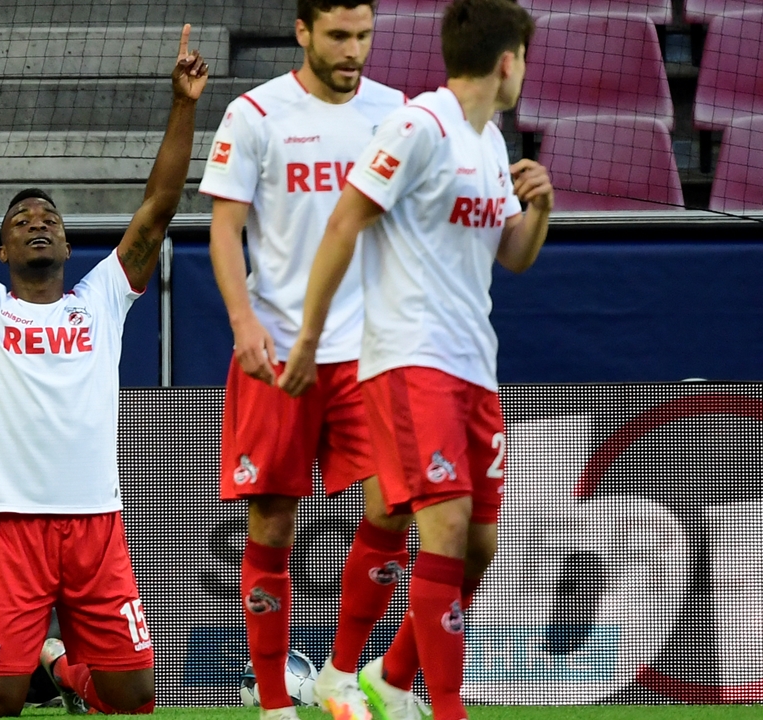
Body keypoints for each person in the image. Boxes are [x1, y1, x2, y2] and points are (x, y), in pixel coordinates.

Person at [0, 24, 208, 717]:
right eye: (20, 220)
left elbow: (158, 210)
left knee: (136, 699)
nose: (37, 222)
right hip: (16, 529)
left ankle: (64, 668)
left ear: (67, 243)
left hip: (97, 527)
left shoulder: (102, 299)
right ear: (2, 251)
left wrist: (183, 104)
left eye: (49, 217)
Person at [279, 1, 552, 719]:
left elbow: (515, 254)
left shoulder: (490, 142)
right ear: (506, 61)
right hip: (408, 360)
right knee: (447, 528)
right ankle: (447, 707)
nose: (525, 70)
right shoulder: (418, 126)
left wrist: (542, 207)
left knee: (481, 548)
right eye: (524, 58)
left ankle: (392, 676)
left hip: (474, 370)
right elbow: (345, 221)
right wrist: (309, 338)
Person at [198, 2, 408, 719]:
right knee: (272, 527)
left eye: (364, 37)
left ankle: (340, 672)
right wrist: (242, 319)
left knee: (395, 506)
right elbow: (224, 231)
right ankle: (272, 705)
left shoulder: (397, 113)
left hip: (369, 355)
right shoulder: (256, 115)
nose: (354, 51)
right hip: (280, 353)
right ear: (304, 33)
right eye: (340, 37)